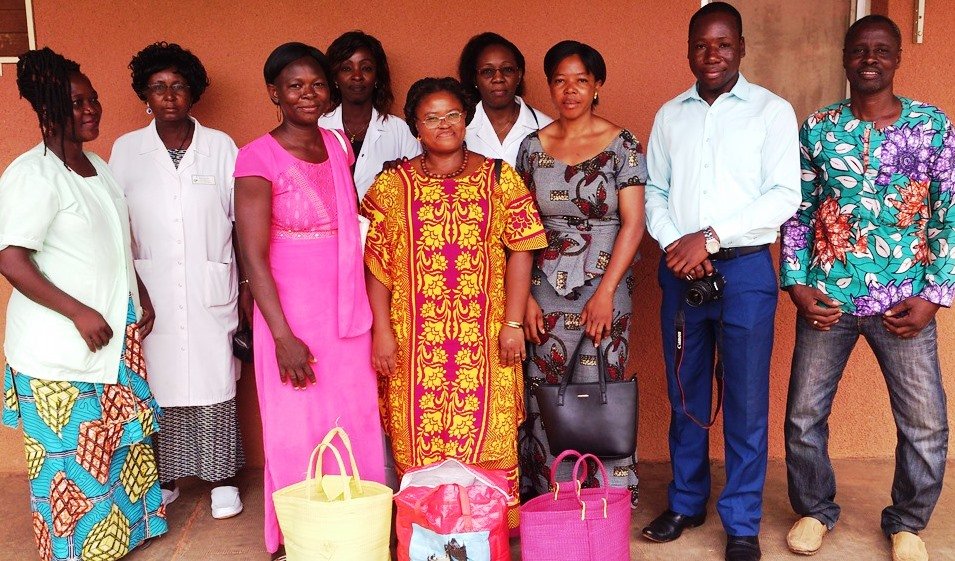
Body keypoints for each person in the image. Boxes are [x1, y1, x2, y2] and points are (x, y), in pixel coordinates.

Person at [780, 15, 952, 561]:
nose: (869, 60)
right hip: (829, 298)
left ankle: (907, 524)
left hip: (905, 301)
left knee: (924, 422)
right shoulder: (819, 128)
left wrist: (933, 295)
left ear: (898, 57)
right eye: (859, 50)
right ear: (845, 57)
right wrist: (797, 284)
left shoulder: (933, 126)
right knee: (805, 415)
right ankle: (814, 510)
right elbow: (799, 213)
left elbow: (947, 216)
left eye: (880, 50)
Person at [642, 3, 800, 560]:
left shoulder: (771, 112)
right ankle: (686, 502)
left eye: (723, 44)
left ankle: (741, 521)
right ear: (688, 49)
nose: (712, 55)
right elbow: (655, 191)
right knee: (685, 393)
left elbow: (784, 195)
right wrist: (675, 245)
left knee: (745, 398)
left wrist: (705, 239)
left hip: (745, 270)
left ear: (741, 46)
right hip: (681, 270)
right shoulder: (670, 115)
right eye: (701, 45)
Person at [0, 47, 167, 561]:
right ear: (47, 107)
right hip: (62, 351)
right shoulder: (33, 174)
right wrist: (77, 310)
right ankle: (79, 551)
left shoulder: (96, 165)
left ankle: (122, 539)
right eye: (76, 102)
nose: (91, 109)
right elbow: (10, 257)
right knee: (73, 462)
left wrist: (140, 292)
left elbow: (116, 240)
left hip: (113, 340)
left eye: (92, 99)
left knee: (118, 450)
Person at [362, 76, 547, 528]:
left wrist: (514, 323)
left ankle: (487, 533)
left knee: (491, 435)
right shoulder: (391, 186)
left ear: (466, 119)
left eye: (453, 115)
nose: (444, 125)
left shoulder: (500, 177)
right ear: (416, 127)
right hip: (413, 343)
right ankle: (426, 531)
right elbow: (375, 264)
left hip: (484, 337)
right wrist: (382, 330)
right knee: (415, 437)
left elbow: (522, 248)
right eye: (431, 117)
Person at [234, 42, 385, 560]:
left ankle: (357, 524)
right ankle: (299, 532)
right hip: (291, 312)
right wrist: (280, 335)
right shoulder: (257, 156)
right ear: (273, 92)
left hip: (347, 308)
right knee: (296, 421)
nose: (308, 94)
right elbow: (252, 257)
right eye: (294, 85)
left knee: (356, 412)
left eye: (317, 84)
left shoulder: (338, 143)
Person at [109, 41, 246, 519]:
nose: (169, 96)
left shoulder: (221, 146)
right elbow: (116, 223)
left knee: (214, 381)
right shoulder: (126, 150)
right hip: (152, 290)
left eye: (179, 86)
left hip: (211, 286)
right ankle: (163, 480)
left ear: (194, 93)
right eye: (158, 87)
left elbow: (239, 222)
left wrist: (245, 288)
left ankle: (222, 480)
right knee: (159, 383)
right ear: (144, 94)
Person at [516, 40, 647, 507]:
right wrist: (523, 299)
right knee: (543, 389)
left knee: (598, 388)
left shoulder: (622, 144)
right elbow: (520, 227)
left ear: (597, 87)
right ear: (549, 85)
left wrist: (607, 291)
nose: (570, 90)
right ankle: (549, 495)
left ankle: (604, 497)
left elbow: (634, 222)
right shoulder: (532, 148)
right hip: (543, 288)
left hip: (603, 286)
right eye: (559, 80)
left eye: (581, 80)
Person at [318, 31, 419, 199]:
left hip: (383, 224)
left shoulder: (398, 129)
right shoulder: (318, 127)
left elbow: (417, 188)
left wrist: (397, 179)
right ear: (334, 77)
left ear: (377, 76)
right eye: (346, 68)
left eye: (366, 68)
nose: (357, 76)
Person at [459, 32, 553, 166]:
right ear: (474, 79)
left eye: (507, 69)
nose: (498, 78)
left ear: (519, 75)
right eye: (487, 71)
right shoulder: (459, 128)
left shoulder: (546, 127)